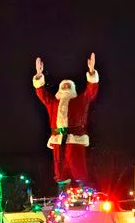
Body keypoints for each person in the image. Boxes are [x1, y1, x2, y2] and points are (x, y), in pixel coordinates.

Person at [32, 53, 99, 186]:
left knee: (79, 167)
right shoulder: (53, 103)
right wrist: (39, 76)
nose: (66, 87)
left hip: (75, 139)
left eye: (69, 85)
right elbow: (42, 94)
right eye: (64, 85)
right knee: (59, 169)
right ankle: (63, 198)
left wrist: (91, 72)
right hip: (58, 139)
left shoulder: (80, 101)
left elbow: (90, 92)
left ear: (73, 88)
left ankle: (83, 196)